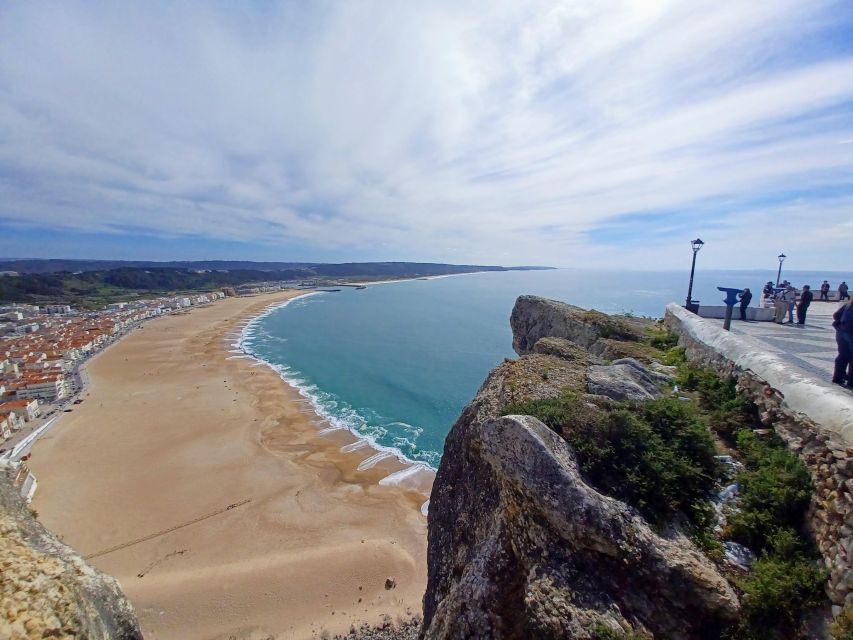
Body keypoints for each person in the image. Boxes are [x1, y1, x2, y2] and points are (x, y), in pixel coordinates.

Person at [832, 299, 853, 388]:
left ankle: (837, 377)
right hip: (850, 333)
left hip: (841, 332)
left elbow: (836, 315)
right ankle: (851, 382)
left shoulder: (848, 304)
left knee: (842, 355)